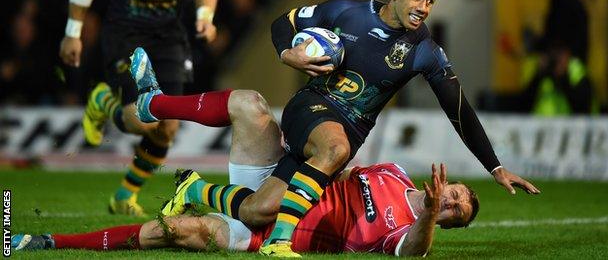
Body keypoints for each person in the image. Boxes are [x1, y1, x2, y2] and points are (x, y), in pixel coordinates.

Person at [260, 0, 540, 255]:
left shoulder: (424, 51)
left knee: (259, 210)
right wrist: (287, 53)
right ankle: (278, 242)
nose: (424, 7)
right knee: (335, 148)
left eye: (431, 0)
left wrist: (494, 166)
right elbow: (285, 21)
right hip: (311, 107)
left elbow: (459, 109)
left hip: (351, 133)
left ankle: (204, 188)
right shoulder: (347, 12)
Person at [12, 163, 477, 257]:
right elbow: (339, 164)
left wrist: (430, 216)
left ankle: (46, 241)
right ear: (447, 180)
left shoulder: (408, 235)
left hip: (271, 238)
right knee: (248, 106)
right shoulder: (393, 172)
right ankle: (161, 106)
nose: (451, 202)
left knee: (170, 231)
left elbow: (415, 252)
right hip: (275, 192)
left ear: (449, 223)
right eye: (456, 194)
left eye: (456, 212)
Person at [58, 0, 219, 216]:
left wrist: (205, 17)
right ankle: (102, 100)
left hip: (169, 39)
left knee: (167, 128)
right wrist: (72, 32)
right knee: (142, 122)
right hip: (125, 35)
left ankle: (124, 196)